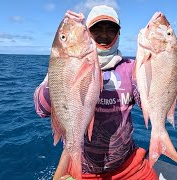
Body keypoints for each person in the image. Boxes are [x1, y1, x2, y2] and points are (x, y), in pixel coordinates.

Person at [34, 5, 158, 180]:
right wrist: (57, 76)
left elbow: (149, 104)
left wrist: (159, 67)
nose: (104, 35)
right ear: (87, 32)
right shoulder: (63, 64)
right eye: (97, 29)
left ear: (119, 34)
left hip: (128, 163)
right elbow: (41, 109)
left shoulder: (131, 68)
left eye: (111, 29)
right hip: (83, 168)